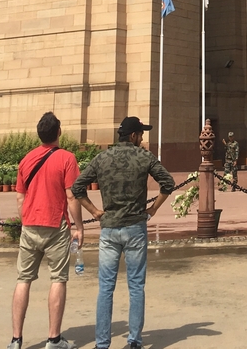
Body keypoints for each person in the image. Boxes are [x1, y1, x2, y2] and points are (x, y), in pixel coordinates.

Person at [71, 116, 175, 349]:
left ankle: (102, 343)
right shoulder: (144, 157)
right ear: (133, 136)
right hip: (135, 227)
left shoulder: (102, 158)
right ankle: (134, 341)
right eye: (141, 134)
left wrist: (95, 211)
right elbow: (167, 183)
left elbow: (77, 187)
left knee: (106, 287)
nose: (142, 138)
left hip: (109, 228)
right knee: (136, 285)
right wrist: (153, 209)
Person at [9, 111, 83, 349]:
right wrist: (79, 227)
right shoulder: (67, 159)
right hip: (56, 225)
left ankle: (16, 339)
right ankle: (53, 339)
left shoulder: (26, 159)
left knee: (23, 280)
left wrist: (27, 219)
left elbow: (20, 197)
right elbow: (72, 196)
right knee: (58, 280)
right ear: (58, 132)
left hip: (29, 225)